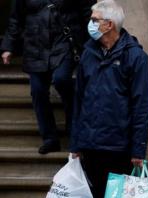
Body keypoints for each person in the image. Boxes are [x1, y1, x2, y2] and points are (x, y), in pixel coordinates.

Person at [70, 1, 148, 198]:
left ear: (109, 25)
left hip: (119, 142)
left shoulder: (135, 56)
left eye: (95, 19)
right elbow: (79, 99)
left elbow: (142, 105)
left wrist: (138, 150)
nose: (91, 23)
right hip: (92, 141)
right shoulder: (89, 53)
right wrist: (76, 142)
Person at [0, 0, 95, 154]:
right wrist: (8, 46)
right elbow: (15, 18)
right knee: (38, 90)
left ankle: (74, 131)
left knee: (62, 79)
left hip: (64, 42)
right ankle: (50, 138)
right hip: (35, 45)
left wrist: (94, 44)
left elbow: (88, 13)